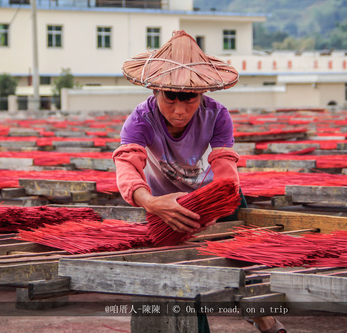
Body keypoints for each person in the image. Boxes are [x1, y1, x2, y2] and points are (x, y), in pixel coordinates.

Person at [112, 30, 285, 333]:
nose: (179, 110)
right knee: (186, 276)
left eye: (189, 98)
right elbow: (127, 164)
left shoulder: (217, 115)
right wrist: (150, 202)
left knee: (242, 259)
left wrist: (218, 202)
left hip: (213, 195)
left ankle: (263, 316)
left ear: (202, 93)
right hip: (166, 204)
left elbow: (224, 164)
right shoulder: (140, 119)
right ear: (154, 89)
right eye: (170, 97)